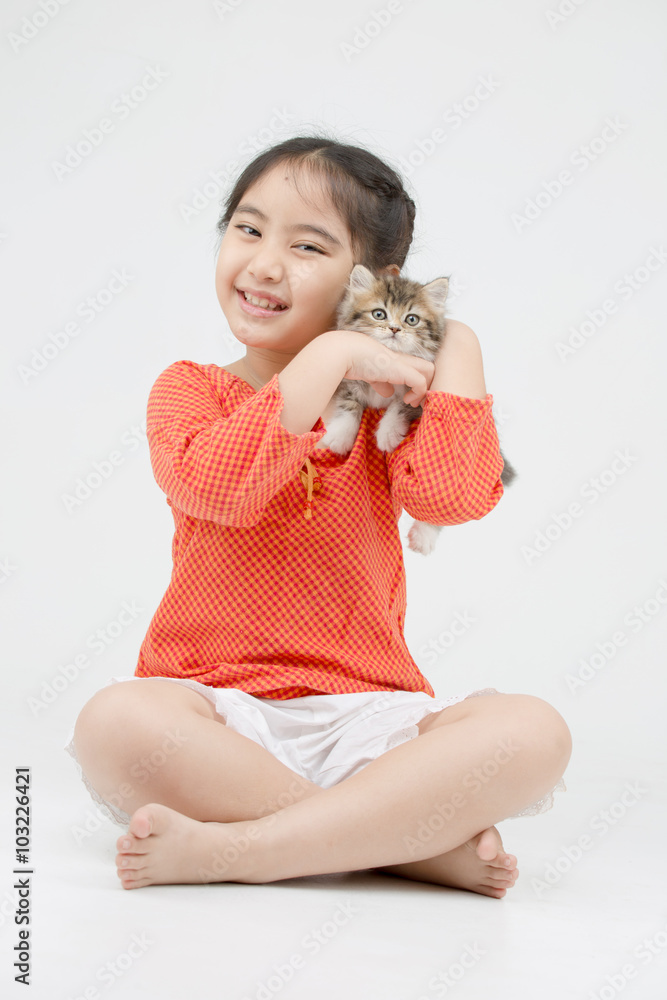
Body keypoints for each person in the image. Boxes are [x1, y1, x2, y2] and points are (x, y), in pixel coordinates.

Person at [65, 133, 571, 895]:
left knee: (534, 732)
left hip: (369, 713)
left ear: (375, 283)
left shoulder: (387, 409)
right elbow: (217, 488)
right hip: (213, 711)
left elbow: (450, 499)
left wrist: (456, 340)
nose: (265, 262)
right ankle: (401, 848)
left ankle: (244, 851)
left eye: (307, 245)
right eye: (247, 227)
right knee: (114, 723)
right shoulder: (189, 389)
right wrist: (329, 357)